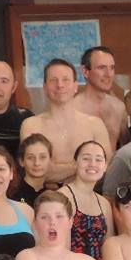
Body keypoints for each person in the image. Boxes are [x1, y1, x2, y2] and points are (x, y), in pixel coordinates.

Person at [18, 58, 114, 186]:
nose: (60, 85)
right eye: (53, 80)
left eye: (66, 80)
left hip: (88, 195)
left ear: (75, 86)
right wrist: (84, 166)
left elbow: (105, 168)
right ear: (45, 88)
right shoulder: (31, 125)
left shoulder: (95, 125)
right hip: (44, 196)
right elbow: (36, 171)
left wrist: (58, 169)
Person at [72, 46, 131, 151]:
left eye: (112, 68)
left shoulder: (119, 107)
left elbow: (126, 149)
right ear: (85, 71)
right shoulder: (73, 109)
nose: (108, 74)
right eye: (102, 68)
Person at [11, 133, 59, 205]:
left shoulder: (53, 197)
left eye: (42, 157)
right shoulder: (12, 194)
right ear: (21, 161)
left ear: (50, 160)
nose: (37, 163)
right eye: (30, 157)